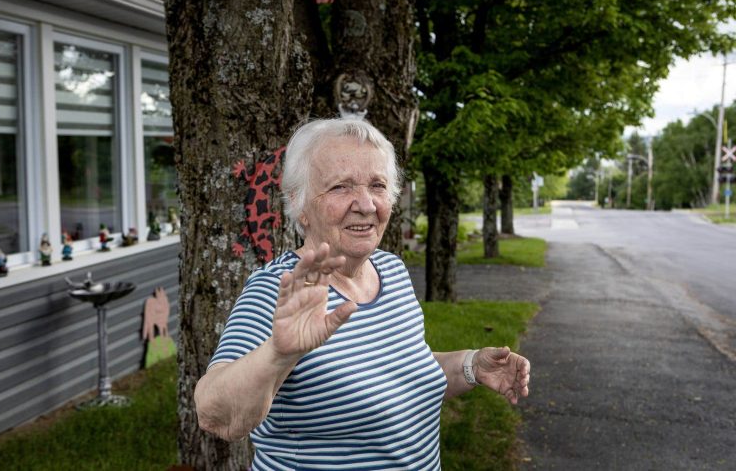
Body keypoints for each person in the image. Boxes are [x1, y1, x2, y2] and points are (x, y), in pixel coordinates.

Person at [195, 118, 531, 470]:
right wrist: (279, 354)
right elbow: (213, 413)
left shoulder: (391, 270)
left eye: (377, 185)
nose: (366, 204)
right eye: (341, 187)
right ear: (299, 202)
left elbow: (403, 374)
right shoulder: (279, 290)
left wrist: (471, 365)